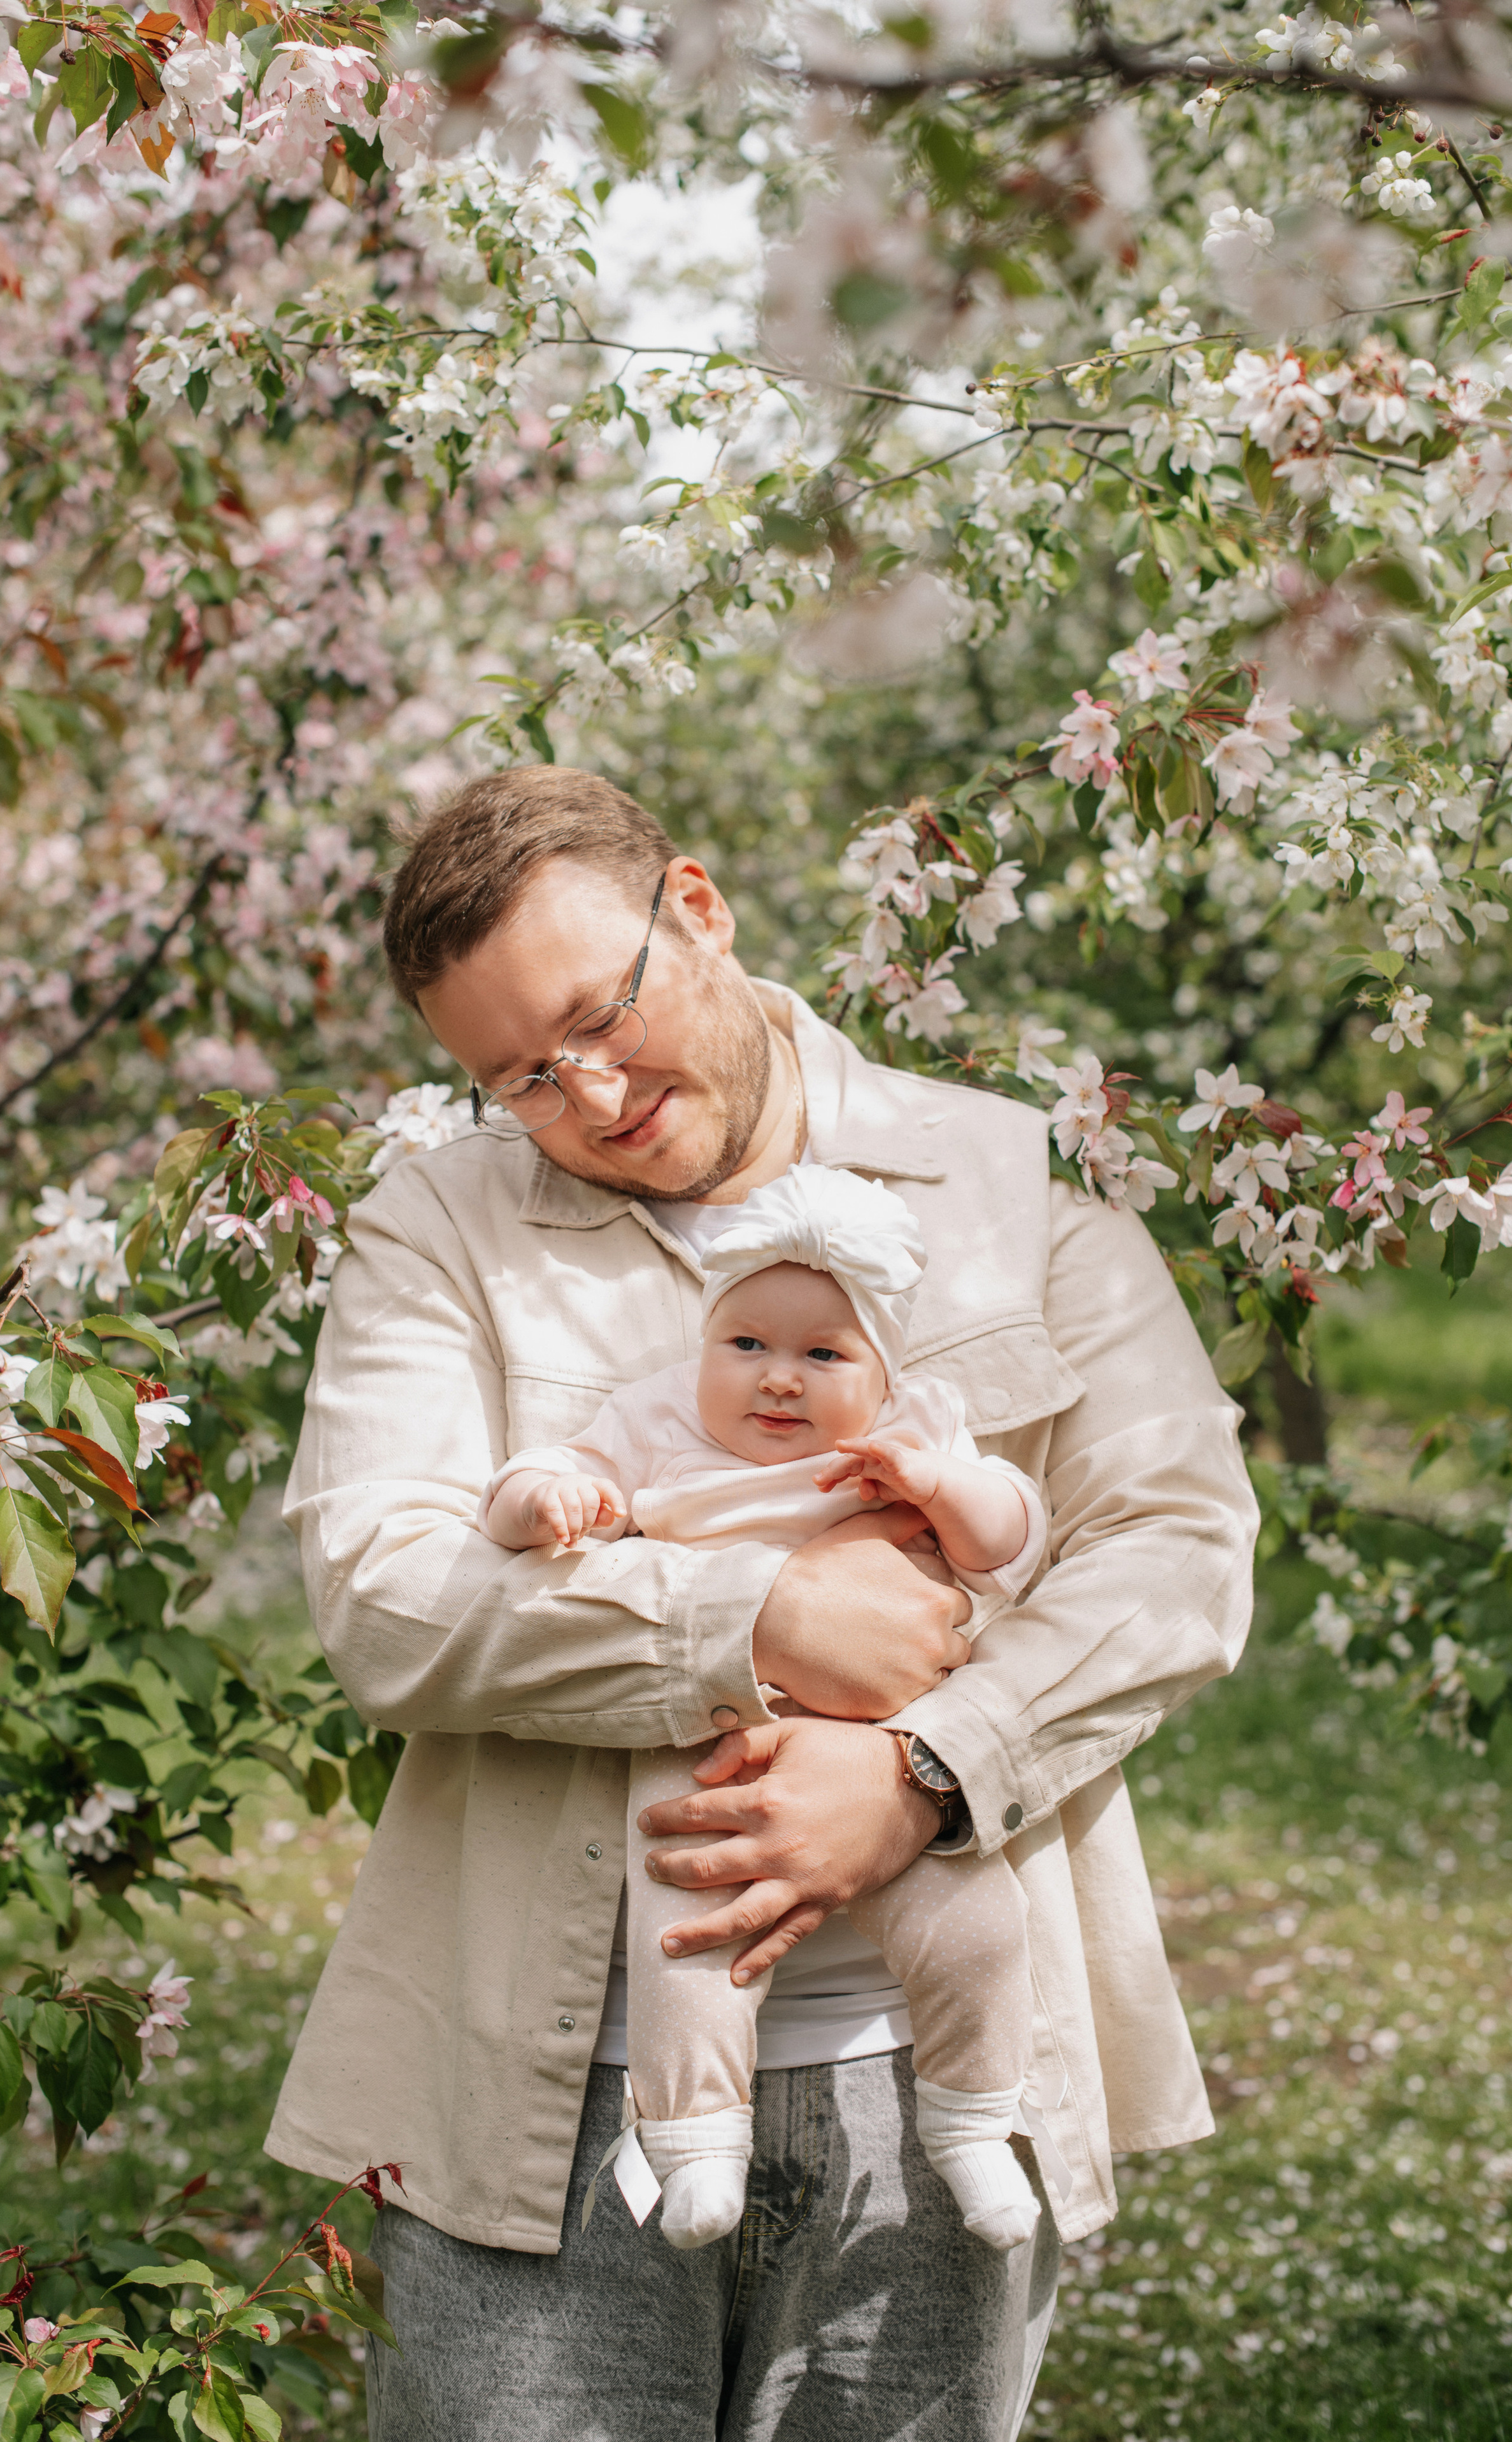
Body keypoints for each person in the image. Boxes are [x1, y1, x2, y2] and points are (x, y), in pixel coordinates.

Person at [266, 766, 1259, 2442]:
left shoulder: (1007, 1189)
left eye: (602, 1013)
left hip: (939, 2079)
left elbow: (1176, 1544)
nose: (590, 1094)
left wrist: (929, 1764)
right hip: (548, 2104)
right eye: (522, 1074)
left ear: (700, 911)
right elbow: (386, 1596)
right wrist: (752, 1619)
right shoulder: (441, 1228)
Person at [481, 1162, 1048, 2255]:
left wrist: (939, 1488)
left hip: (884, 1747)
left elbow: (1011, 1535)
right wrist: (544, 1500)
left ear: (882, 1372)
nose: (778, 1379)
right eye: (746, 1344)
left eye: (823, 1355)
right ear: (706, 1342)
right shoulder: (653, 1419)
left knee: (980, 1930)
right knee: (689, 1932)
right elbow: (542, 1472)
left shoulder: (917, 1429)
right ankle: (697, 2140)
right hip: (710, 1729)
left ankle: (977, 2119)